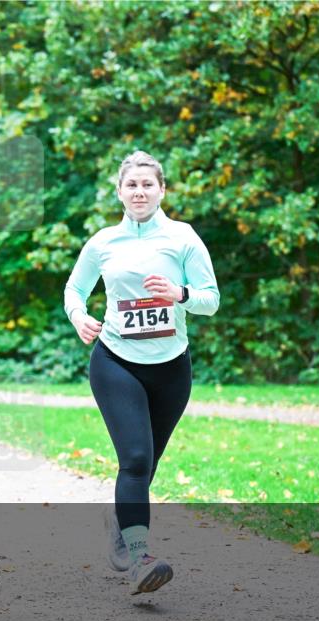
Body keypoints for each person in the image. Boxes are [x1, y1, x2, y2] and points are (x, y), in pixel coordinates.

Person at [63, 150, 219, 595]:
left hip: (172, 368)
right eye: (131, 185)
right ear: (119, 191)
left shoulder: (184, 238)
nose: (139, 191)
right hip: (115, 360)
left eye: (148, 184)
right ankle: (139, 558)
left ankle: (120, 519)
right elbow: (75, 288)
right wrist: (79, 316)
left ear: (162, 190)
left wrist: (180, 292)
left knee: (146, 465)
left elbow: (211, 298)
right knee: (134, 459)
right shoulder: (103, 242)